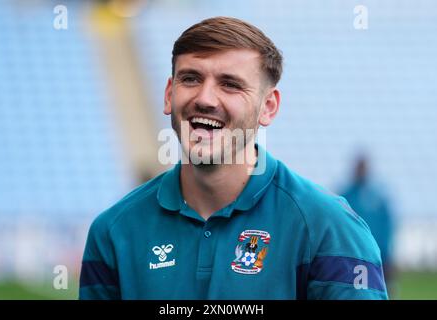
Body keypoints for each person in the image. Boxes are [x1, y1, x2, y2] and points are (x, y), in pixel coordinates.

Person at [79, 16, 388, 300]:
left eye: (230, 84)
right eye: (190, 79)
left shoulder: (329, 228)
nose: (205, 98)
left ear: (268, 106)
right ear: (169, 94)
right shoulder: (113, 232)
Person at [341, 155, 395, 292]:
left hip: (378, 255)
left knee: (381, 291)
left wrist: (388, 254)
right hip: (353, 255)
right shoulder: (345, 196)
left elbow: (387, 227)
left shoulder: (378, 196)